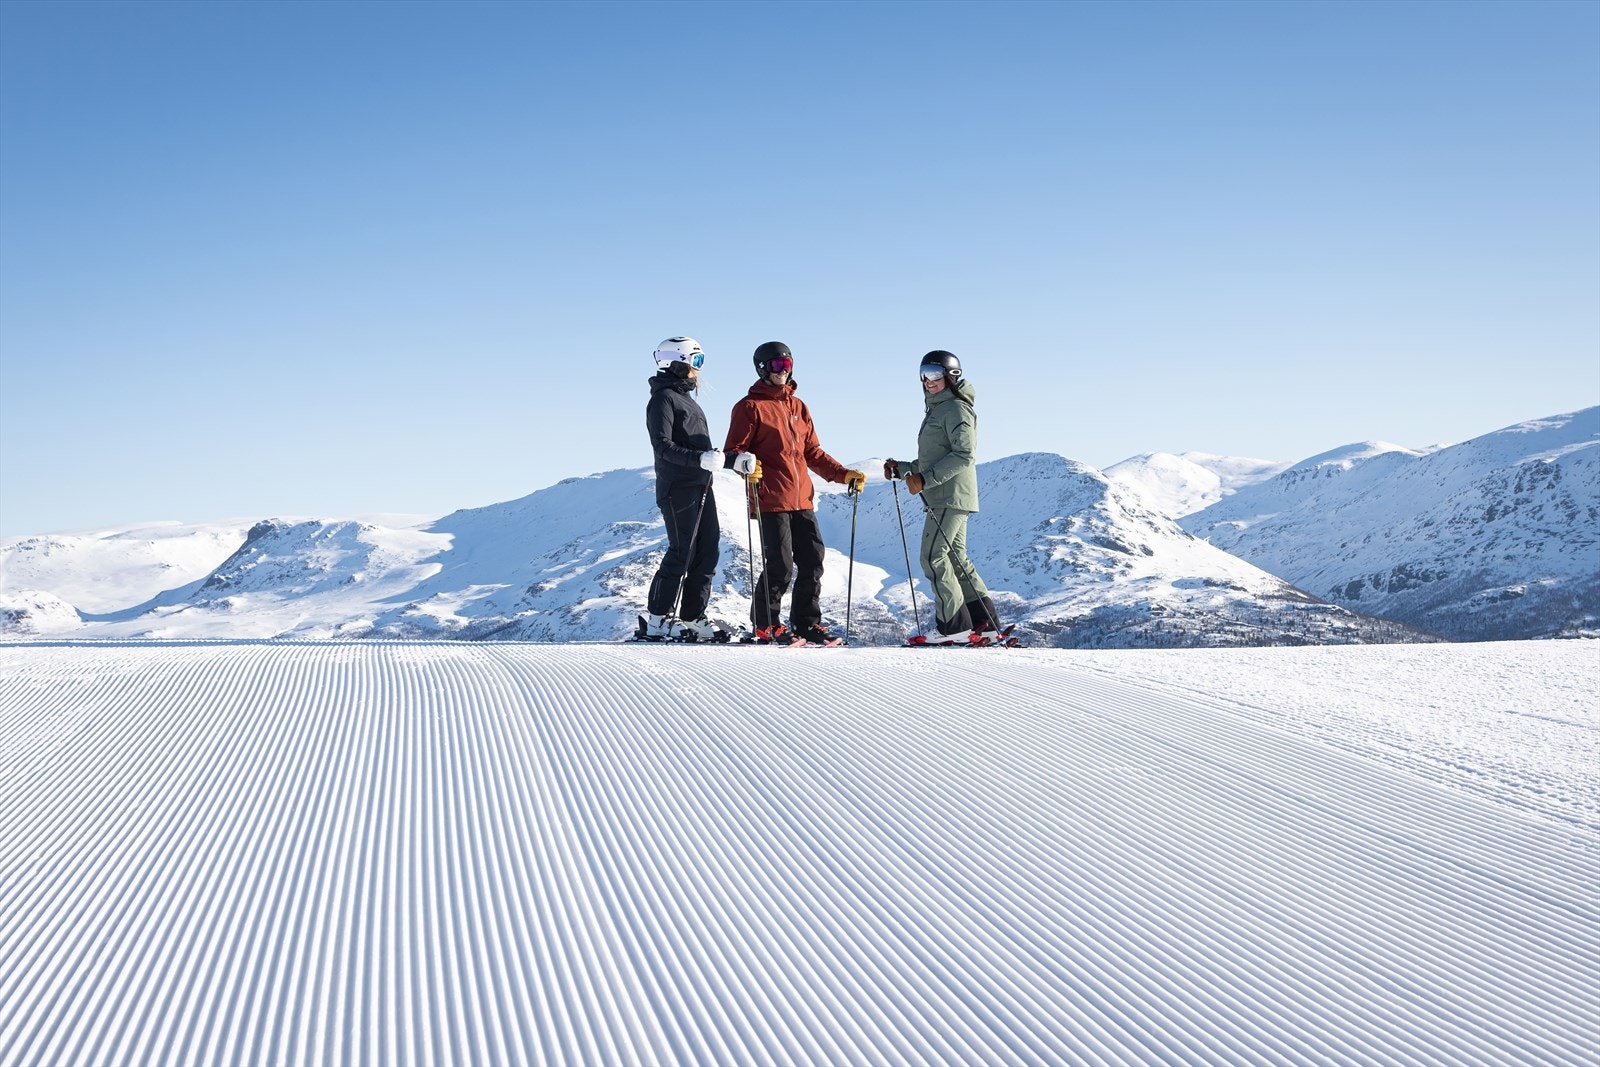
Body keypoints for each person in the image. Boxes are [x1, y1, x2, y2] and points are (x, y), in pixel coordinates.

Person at [725, 341, 866, 645]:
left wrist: (842, 474)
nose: (783, 371)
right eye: (777, 366)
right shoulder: (749, 407)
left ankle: (806, 623)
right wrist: (744, 463)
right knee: (780, 564)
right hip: (771, 497)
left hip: (802, 497)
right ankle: (766, 623)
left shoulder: (798, 406)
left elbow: (812, 452)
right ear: (763, 368)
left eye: (788, 365)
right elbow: (733, 451)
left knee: (813, 560)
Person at [640, 337, 759, 641]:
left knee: (707, 552)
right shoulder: (663, 399)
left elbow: (704, 453)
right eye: (697, 362)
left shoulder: (686, 400)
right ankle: (657, 618)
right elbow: (662, 446)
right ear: (679, 361)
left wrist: (733, 460)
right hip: (676, 486)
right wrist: (701, 458)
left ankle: (692, 617)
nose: (698, 370)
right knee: (682, 552)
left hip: (699, 484)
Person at [883, 350, 1002, 644]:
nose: (928, 379)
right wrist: (903, 469)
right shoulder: (938, 410)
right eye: (924, 372)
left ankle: (954, 627)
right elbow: (934, 459)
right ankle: (983, 623)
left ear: (951, 375)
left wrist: (925, 479)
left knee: (933, 556)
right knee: (956, 558)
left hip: (949, 495)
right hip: (945, 493)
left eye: (935, 373)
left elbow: (964, 455)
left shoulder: (957, 410)